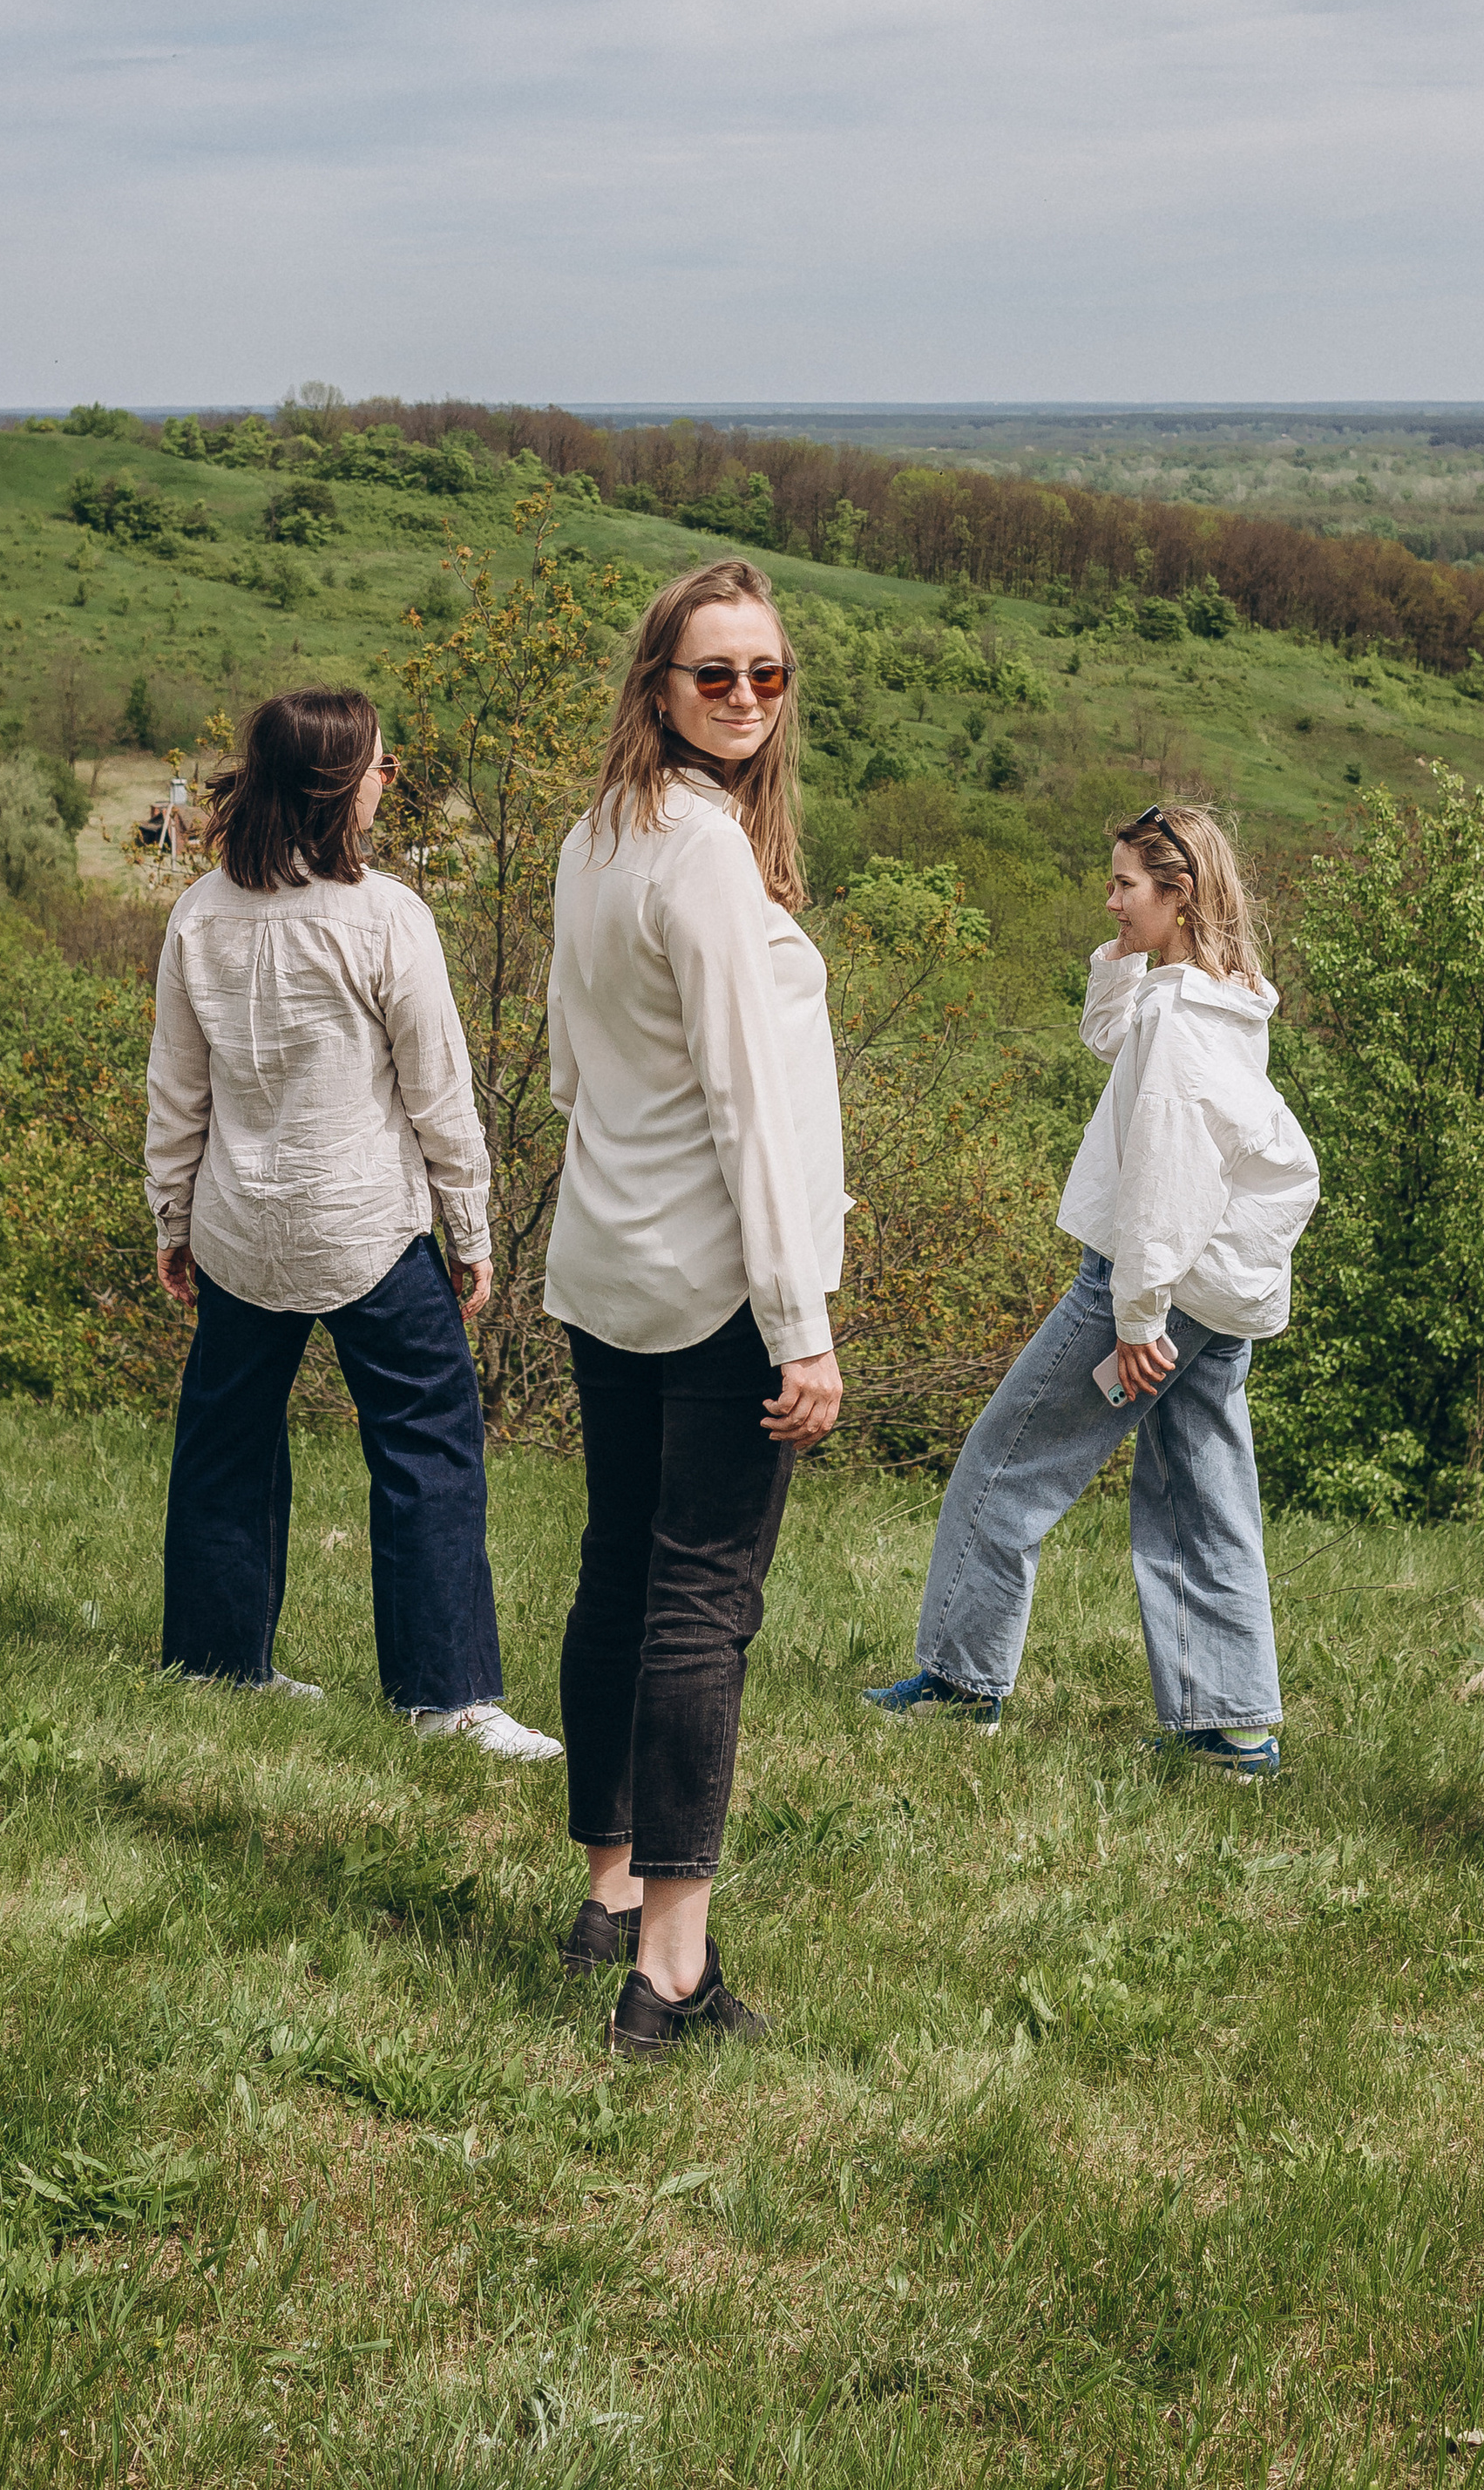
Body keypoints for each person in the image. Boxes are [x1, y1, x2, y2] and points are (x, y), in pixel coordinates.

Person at [543, 557, 846, 2057]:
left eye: (766, 673)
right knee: (700, 1599)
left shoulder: (598, 833)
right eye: (713, 672)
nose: (743, 696)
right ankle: (668, 1967)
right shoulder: (705, 856)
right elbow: (751, 1107)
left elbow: (567, 1066)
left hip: (607, 1258)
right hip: (719, 1277)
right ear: (656, 684)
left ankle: (610, 1886)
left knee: (621, 1568)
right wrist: (801, 1320)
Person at [146, 686, 559, 1761]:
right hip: (365, 1225)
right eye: (382, 765)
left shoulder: (199, 913)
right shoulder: (385, 917)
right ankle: (447, 1698)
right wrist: (469, 1229)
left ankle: (215, 1662)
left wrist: (172, 1218)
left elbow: (176, 1093)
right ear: (339, 787)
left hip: (237, 1224)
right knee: (429, 1446)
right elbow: (439, 1094)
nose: (389, 780)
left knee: (225, 1445)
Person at [863, 804, 1319, 1769]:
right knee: (1202, 1497)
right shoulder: (1219, 999)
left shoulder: (1181, 1024)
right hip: (1214, 1293)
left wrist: (1136, 1317)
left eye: (1125, 886)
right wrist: (1122, 954)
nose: (1108, 900)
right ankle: (1232, 1727)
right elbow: (1114, 1038)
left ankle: (960, 1685)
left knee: (1005, 1465)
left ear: (1179, 894)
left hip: (1150, 1285)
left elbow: (1165, 1180)